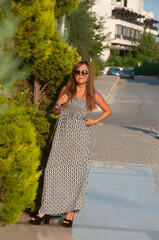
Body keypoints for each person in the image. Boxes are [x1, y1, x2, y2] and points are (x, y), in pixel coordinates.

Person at [29, 60, 112, 227]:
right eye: (77, 72)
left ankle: (70, 213)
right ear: (73, 74)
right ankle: (44, 210)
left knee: (76, 175)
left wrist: (94, 122)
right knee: (53, 172)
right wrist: (59, 102)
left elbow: (108, 110)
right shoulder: (66, 90)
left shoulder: (93, 95)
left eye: (84, 72)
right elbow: (55, 111)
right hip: (61, 137)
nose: (80, 75)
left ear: (89, 75)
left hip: (79, 139)